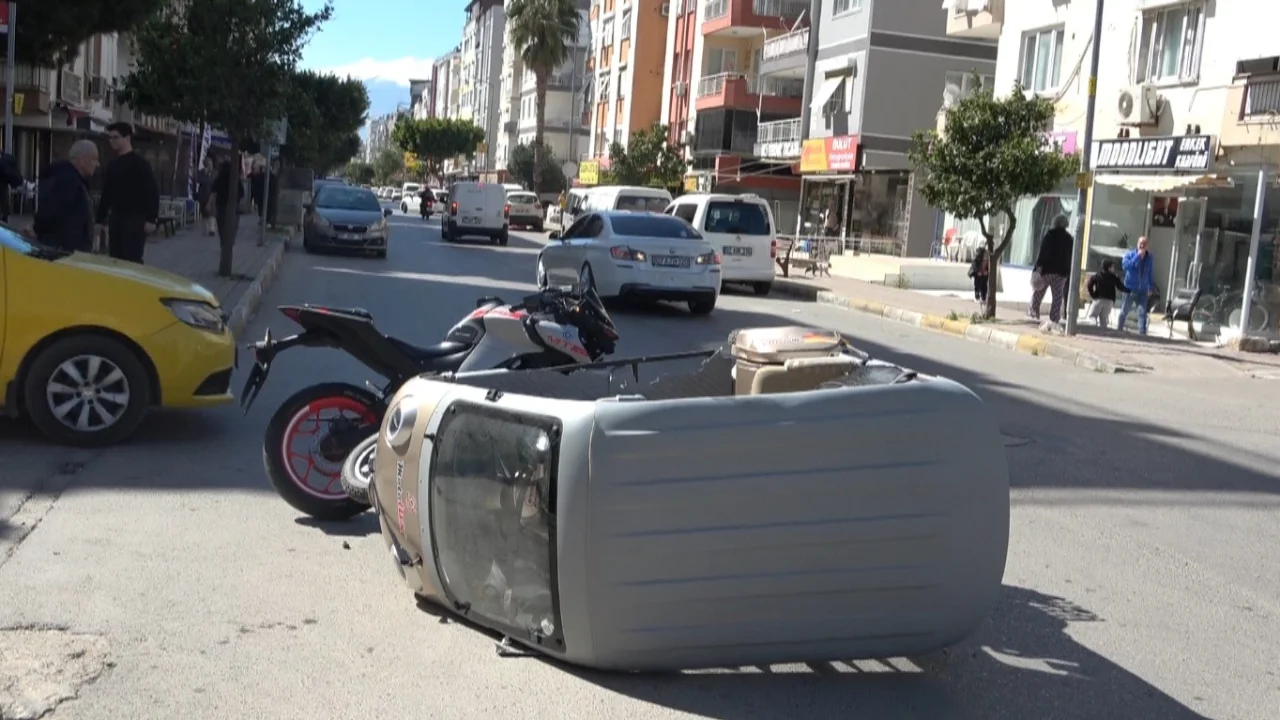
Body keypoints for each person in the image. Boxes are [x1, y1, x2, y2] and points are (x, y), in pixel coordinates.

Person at [96, 122, 160, 263]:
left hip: (135, 219)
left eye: (116, 137)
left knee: (132, 258)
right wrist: (100, 219)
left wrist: (151, 219)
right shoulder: (113, 165)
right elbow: (107, 193)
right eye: (110, 137)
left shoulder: (141, 164)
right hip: (116, 218)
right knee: (115, 257)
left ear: (127, 138)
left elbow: (152, 191)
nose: (112, 141)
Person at [25, 140, 98, 252]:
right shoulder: (67, 180)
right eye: (94, 159)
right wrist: (38, 229)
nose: (97, 164)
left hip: (69, 247)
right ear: (81, 159)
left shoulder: (73, 180)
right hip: (63, 248)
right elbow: (50, 210)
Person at [1029, 214, 1074, 326]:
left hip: (1047, 270)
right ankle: (1054, 319)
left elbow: (1043, 253)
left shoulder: (1050, 235)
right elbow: (1071, 256)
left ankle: (1033, 314)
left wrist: (1038, 268)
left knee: (1038, 293)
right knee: (1057, 297)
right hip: (1062, 273)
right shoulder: (1069, 238)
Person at [1118, 236, 1157, 335]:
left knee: (1142, 312)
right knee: (1125, 310)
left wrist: (1150, 287)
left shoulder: (1149, 257)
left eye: (1144, 244)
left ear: (1147, 246)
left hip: (1143, 289)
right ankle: (1119, 328)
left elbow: (1150, 272)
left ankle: (1142, 332)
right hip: (1130, 288)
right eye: (1140, 243)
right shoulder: (1130, 254)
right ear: (1137, 244)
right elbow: (1125, 266)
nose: (1142, 245)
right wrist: (1137, 257)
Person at [1085, 259, 1129, 329]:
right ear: (1109, 268)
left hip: (1098, 299)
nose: (1114, 269)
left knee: (1093, 316)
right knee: (1104, 318)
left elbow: (1089, 285)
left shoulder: (1097, 276)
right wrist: (1129, 290)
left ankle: (1093, 328)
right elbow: (1120, 287)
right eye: (1113, 267)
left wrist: (1093, 295)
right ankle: (1103, 332)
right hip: (1110, 301)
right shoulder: (1114, 277)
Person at [209, 158, 244, 235]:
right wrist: (237, 200)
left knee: (221, 223)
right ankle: (231, 236)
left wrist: (209, 203)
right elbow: (242, 192)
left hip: (221, 205)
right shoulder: (235, 179)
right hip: (233, 205)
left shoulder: (219, 178)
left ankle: (223, 238)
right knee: (234, 222)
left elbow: (213, 192)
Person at [197, 156, 217, 236]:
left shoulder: (215, 173)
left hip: (212, 194)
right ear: (205, 165)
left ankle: (212, 228)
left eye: (211, 164)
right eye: (208, 164)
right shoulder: (201, 172)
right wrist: (206, 175)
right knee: (204, 212)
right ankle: (205, 229)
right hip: (203, 194)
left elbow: (215, 182)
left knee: (212, 211)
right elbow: (199, 180)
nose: (210, 166)